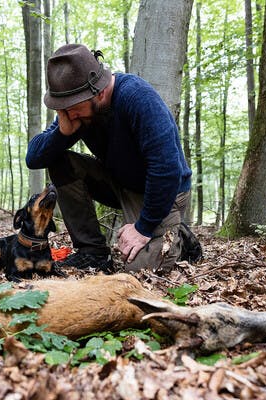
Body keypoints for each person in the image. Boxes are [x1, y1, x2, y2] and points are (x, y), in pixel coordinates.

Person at [26, 43, 199, 273]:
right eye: (61, 108)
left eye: (70, 107)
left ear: (98, 92)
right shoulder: (78, 114)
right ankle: (92, 252)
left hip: (163, 190)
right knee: (60, 162)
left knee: (138, 271)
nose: (66, 114)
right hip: (120, 183)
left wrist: (143, 228)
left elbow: (167, 169)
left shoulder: (137, 97)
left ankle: (180, 236)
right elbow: (33, 158)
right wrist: (62, 132)